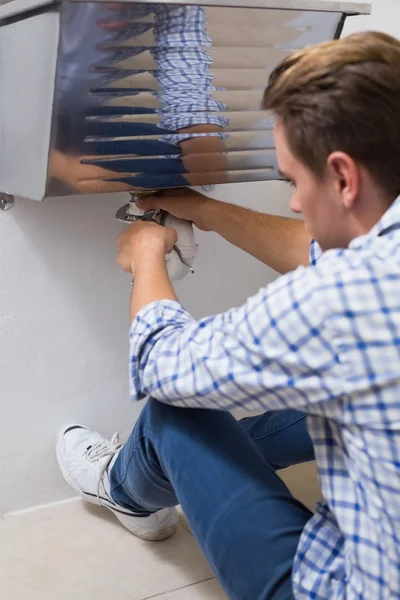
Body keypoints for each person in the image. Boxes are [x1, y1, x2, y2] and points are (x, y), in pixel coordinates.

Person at [56, 31, 400, 600]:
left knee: (177, 408)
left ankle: (124, 490)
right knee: (316, 394)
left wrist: (145, 258)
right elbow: (325, 245)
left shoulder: (343, 299)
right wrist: (207, 210)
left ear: (342, 176)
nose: (293, 201)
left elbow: (164, 362)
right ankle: (168, 475)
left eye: (294, 180)